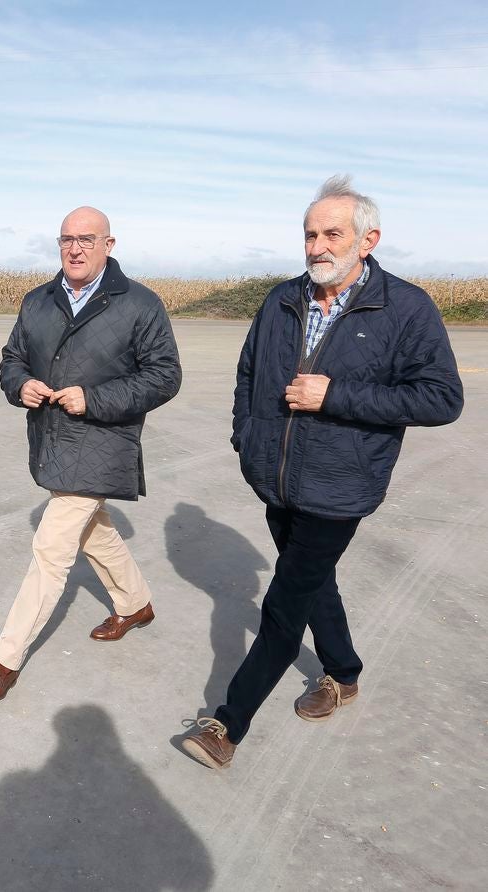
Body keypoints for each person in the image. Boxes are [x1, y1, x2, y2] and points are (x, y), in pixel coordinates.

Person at [181, 175, 464, 769]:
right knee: (314, 582)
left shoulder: (405, 308)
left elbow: (442, 398)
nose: (316, 247)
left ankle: (227, 724)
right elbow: (247, 375)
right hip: (276, 479)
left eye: (331, 233)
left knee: (286, 601)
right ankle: (344, 672)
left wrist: (336, 395)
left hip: (340, 486)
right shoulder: (283, 299)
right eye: (309, 234)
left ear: (368, 239)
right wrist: (246, 438)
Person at [0, 206, 182, 700]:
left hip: (104, 439)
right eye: (67, 239)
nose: (76, 248)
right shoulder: (38, 301)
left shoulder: (140, 304)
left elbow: (164, 376)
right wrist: (18, 385)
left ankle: (6, 659)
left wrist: (95, 398)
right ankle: (136, 603)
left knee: (51, 548)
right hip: (50, 435)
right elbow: (12, 359)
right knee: (94, 534)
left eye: (88, 239)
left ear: (110, 245)